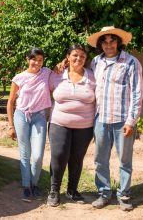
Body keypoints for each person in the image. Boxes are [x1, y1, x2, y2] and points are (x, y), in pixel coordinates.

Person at [87, 26, 143, 211]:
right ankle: (104, 193)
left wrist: (131, 121)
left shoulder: (131, 62)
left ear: (118, 42)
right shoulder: (96, 62)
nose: (109, 45)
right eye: (105, 41)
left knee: (124, 160)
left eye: (112, 41)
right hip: (101, 119)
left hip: (122, 121)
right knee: (100, 159)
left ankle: (124, 195)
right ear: (101, 44)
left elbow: (137, 93)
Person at [46, 44, 96, 207]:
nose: (78, 59)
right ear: (68, 57)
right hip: (59, 123)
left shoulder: (92, 76)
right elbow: (45, 91)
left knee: (77, 159)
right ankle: (54, 191)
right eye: (75, 55)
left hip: (85, 126)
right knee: (58, 157)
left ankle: (72, 190)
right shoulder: (56, 75)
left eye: (82, 56)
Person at [7, 48, 54, 202]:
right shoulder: (19, 78)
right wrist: (10, 126)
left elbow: (60, 68)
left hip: (39, 117)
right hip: (21, 116)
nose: (37, 63)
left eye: (40, 60)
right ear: (28, 59)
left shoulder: (46, 73)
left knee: (38, 155)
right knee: (25, 153)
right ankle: (27, 187)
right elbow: (11, 102)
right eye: (34, 59)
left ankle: (34, 184)